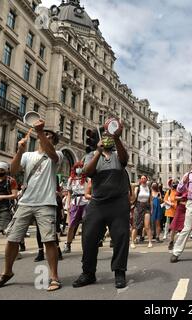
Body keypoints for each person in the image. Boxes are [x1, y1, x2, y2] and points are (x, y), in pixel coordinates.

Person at [0, 120, 63, 292]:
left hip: (46, 203)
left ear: (52, 140)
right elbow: (12, 171)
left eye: (50, 136)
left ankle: (54, 276)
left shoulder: (56, 154)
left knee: (49, 240)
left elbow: (51, 154)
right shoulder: (28, 155)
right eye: (44, 135)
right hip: (25, 203)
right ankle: (7, 272)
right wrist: (20, 151)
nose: (46, 138)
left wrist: (41, 132)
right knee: (12, 238)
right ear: (37, 139)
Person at [72, 121, 130, 289]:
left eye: (109, 138)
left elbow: (124, 160)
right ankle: (88, 273)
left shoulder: (117, 154)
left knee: (120, 238)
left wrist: (117, 139)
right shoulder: (90, 156)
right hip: (97, 204)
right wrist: (97, 150)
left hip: (118, 204)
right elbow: (88, 172)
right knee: (89, 238)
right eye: (104, 138)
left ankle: (119, 272)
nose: (107, 140)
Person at [63, 162, 90, 253]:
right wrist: (68, 205)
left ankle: (87, 245)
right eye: (77, 167)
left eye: (80, 167)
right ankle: (68, 244)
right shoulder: (71, 179)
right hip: (74, 203)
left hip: (86, 203)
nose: (79, 169)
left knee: (87, 226)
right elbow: (69, 193)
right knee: (71, 225)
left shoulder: (87, 179)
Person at [131, 176, 153, 248]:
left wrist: (151, 209)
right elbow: (133, 198)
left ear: (146, 179)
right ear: (140, 180)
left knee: (147, 225)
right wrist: (133, 190)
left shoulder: (149, 189)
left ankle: (150, 242)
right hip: (138, 206)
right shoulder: (138, 188)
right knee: (136, 225)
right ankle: (132, 242)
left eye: (144, 178)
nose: (143, 179)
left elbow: (151, 200)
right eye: (142, 178)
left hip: (146, 207)